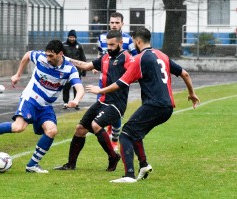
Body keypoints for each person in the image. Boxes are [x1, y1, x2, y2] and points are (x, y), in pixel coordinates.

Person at [86, 27, 200, 183]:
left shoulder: (139, 59)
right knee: (135, 133)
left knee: (125, 133)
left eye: (133, 41)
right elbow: (185, 74)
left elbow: (121, 83)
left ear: (138, 41)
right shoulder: (162, 55)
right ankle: (144, 165)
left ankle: (129, 175)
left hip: (155, 105)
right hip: (167, 107)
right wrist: (192, 94)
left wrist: (100, 89)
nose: (133, 44)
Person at [0, 40, 84, 173]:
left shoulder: (69, 68)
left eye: (51, 56)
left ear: (60, 54)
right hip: (30, 98)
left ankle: (32, 165)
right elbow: (27, 55)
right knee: (18, 127)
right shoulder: (41, 57)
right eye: (47, 55)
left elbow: (79, 88)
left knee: (52, 130)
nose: (48, 58)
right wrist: (17, 75)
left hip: (46, 105)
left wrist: (76, 100)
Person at [54, 30, 132, 172]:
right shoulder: (105, 58)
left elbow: (131, 77)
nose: (109, 47)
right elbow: (86, 66)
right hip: (103, 101)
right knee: (80, 129)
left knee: (95, 125)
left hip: (117, 104)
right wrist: (65, 58)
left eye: (112, 45)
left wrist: (101, 90)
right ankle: (71, 164)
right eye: (108, 44)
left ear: (121, 43)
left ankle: (113, 157)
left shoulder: (127, 58)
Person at [96, 12, 138, 151]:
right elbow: (100, 54)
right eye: (112, 22)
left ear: (122, 24)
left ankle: (114, 139)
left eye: (117, 22)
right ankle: (110, 131)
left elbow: (135, 57)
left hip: (119, 81)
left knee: (115, 109)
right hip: (103, 79)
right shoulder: (102, 37)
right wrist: (97, 66)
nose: (114, 25)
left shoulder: (127, 40)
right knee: (102, 106)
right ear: (109, 23)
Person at [62, 30, 87, 110]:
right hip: (66, 70)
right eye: (70, 37)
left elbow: (83, 58)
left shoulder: (79, 46)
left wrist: (84, 69)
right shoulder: (64, 45)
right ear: (68, 37)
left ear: (75, 37)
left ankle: (76, 102)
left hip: (77, 70)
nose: (72, 39)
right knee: (66, 87)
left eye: (73, 37)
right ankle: (65, 102)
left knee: (77, 87)